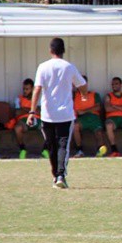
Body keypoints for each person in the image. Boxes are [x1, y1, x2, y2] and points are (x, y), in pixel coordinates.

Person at [28, 38, 87, 188]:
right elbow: (82, 84)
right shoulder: (69, 67)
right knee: (63, 146)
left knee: (51, 146)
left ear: (50, 50)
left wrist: (32, 111)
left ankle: (56, 176)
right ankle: (60, 175)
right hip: (65, 114)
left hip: (47, 114)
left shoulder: (43, 67)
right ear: (63, 51)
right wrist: (84, 94)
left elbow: (37, 89)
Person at [13, 78, 49, 159]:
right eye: (24, 89)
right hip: (24, 120)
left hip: (37, 119)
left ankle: (45, 150)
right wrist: (32, 110)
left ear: (32, 89)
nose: (25, 91)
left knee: (49, 128)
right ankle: (22, 149)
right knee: (17, 128)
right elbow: (17, 112)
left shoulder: (38, 98)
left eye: (27, 89)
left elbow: (40, 111)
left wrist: (24, 109)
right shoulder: (19, 99)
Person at [73, 75, 107, 158]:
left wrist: (84, 111)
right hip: (81, 119)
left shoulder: (94, 94)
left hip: (94, 117)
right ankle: (79, 150)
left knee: (98, 132)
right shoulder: (74, 95)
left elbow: (98, 107)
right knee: (75, 126)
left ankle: (100, 151)